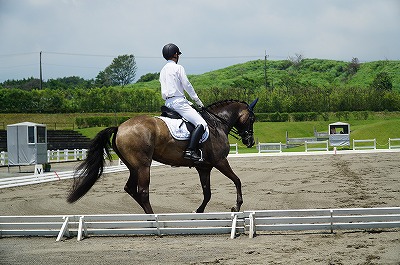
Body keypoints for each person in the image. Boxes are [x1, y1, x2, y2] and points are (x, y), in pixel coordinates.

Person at [159, 43, 208, 161]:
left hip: (168, 103)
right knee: (201, 124)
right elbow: (187, 85)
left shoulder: (162, 70)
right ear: (175, 54)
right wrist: (197, 100)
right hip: (179, 103)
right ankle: (190, 150)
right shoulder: (178, 68)